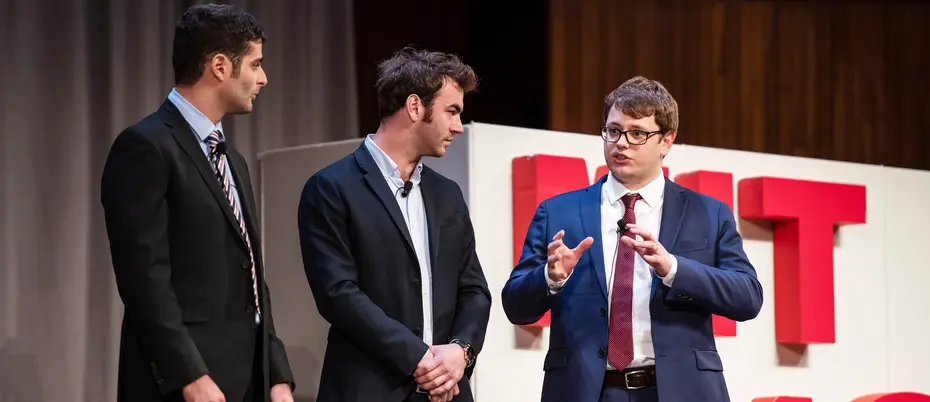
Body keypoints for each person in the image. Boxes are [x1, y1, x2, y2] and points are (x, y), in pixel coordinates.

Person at [501, 76, 763, 402]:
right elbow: (515, 305)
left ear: (666, 141)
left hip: (680, 392)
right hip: (586, 391)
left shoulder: (708, 213)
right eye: (613, 131)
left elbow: (748, 297)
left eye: (637, 133)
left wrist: (674, 269)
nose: (621, 143)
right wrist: (549, 278)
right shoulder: (558, 212)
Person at [100, 4, 294, 402]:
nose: (263, 78)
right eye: (255, 65)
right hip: (186, 385)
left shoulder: (233, 160)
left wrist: (275, 372)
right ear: (220, 66)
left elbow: (253, 275)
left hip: (247, 381)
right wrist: (189, 375)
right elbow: (144, 279)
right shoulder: (146, 147)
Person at [297, 47, 492, 402]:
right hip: (369, 389)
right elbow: (337, 294)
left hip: (448, 393)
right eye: (451, 111)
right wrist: (418, 357)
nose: (457, 127)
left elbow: (474, 290)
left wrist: (460, 351)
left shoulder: (447, 195)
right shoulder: (331, 188)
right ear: (415, 107)